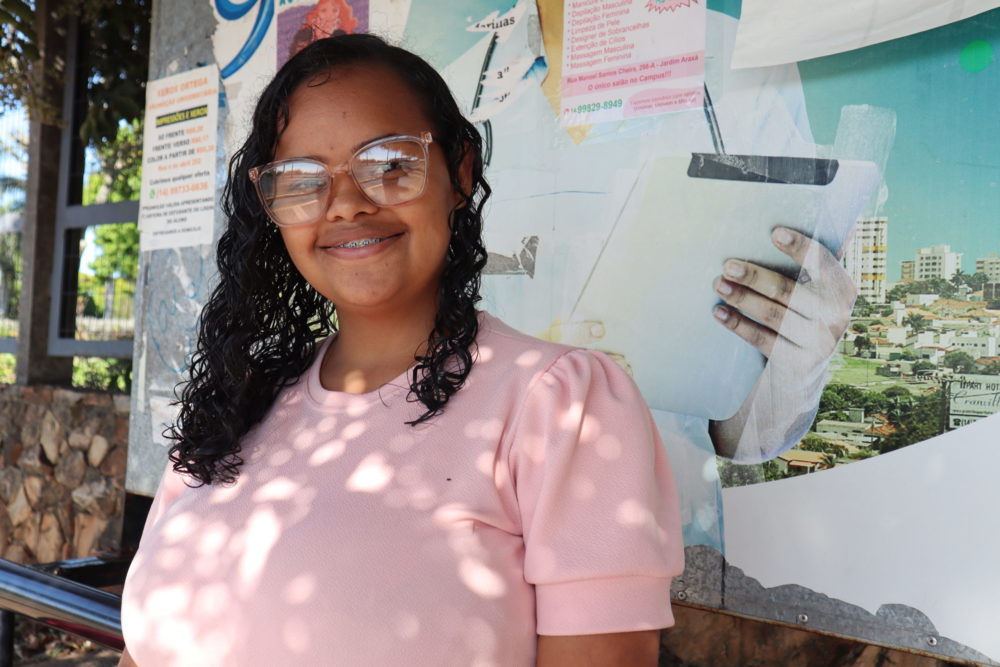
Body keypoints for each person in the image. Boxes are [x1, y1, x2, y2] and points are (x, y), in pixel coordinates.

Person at [119, 34, 684, 666]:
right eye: (301, 180)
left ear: (459, 172)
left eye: (389, 163)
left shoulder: (558, 405)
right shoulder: (238, 404)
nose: (346, 206)